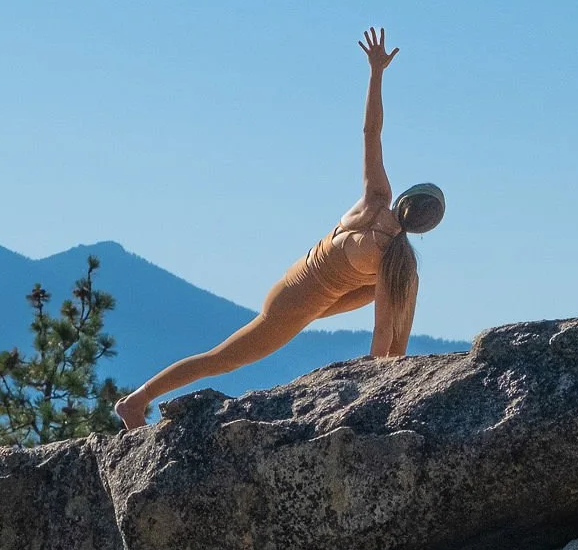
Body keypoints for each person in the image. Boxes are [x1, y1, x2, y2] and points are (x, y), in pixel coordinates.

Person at [114, 28, 446, 429]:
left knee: (404, 282)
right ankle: (137, 401)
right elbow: (381, 334)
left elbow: (370, 132)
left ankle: (401, 369)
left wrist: (376, 72)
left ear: (405, 199)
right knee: (225, 357)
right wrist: (379, 377)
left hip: (328, 293)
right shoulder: (392, 251)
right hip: (295, 300)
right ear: (423, 227)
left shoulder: (378, 202)